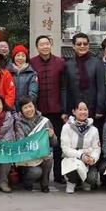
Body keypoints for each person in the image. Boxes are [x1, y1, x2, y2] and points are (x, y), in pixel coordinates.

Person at [30, 35, 65, 183]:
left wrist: (64, 109)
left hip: (56, 110)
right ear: (37, 47)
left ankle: (58, 175)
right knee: (37, 143)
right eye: (41, 44)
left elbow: (64, 87)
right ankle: (38, 176)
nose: (45, 47)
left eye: (47, 44)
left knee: (57, 144)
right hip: (38, 111)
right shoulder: (32, 63)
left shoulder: (60, 62)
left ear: (51, 45)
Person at [64, 33, 106, 123]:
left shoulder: (97, 63)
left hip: (93, 109)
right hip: (74, 109)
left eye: (85, 44)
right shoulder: (68, 64)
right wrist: (66, 110)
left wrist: (100, 108)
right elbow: (66, 89)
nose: (82, 46)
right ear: (73, 46)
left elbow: (101, 88)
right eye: (79, 44)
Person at [60, 100, 100, 194]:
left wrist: (92, 159)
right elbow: (66, 149)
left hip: (88, 161)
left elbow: (96, 149)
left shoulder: (94, 129)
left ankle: (84, 181)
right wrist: (81, 155)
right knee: (73, 167)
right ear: (74, 111)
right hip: (72, 159)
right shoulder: (67, 127)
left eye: (85, 109)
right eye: (80, 109)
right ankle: (71, 182)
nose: (83, 112)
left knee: (92, 180)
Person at [18, 98, 57, 192]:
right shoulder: (18, 123)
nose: (28, 109)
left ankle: (45, 184)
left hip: (43, 156)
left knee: (49, 159)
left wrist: (52, 136)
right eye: (25, 107)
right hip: (28, 157)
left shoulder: (45, 121)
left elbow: (54, 143)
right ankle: (27, 183)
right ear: (21, 110)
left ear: (35, 107)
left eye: (30, 106)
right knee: (36, 172)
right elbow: (21, 143)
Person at [7, 45, 38, 109]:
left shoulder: (32, 74)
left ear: (26, 58)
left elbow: (33, 93)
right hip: (11, 109)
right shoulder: (8, 73)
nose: (20, 58)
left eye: (23, 56)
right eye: (18, 55)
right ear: (14, 57)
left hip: (26, 109)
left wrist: (25, 107)